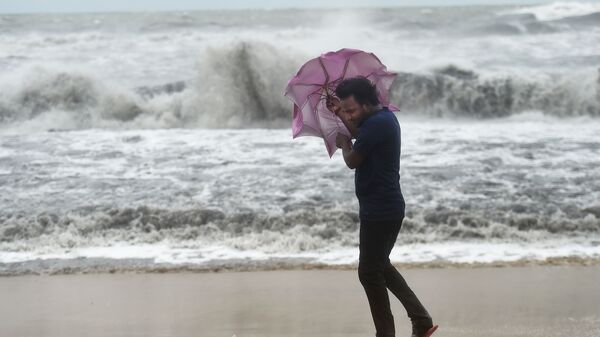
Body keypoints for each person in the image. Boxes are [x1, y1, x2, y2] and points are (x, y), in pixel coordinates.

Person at [328, 76, 438, 337]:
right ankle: (421, 321)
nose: (349, 115)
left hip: (381, 210)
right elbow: (360, 133)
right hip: (382, 207)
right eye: (346, 110)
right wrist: (341, 115)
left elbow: (354, 159)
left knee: (368, 273)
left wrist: (344, 145)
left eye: (351, 109)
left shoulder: (380, 124)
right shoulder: (379, 120)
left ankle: (386, 333)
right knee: (380, 266)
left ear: (367, 104)